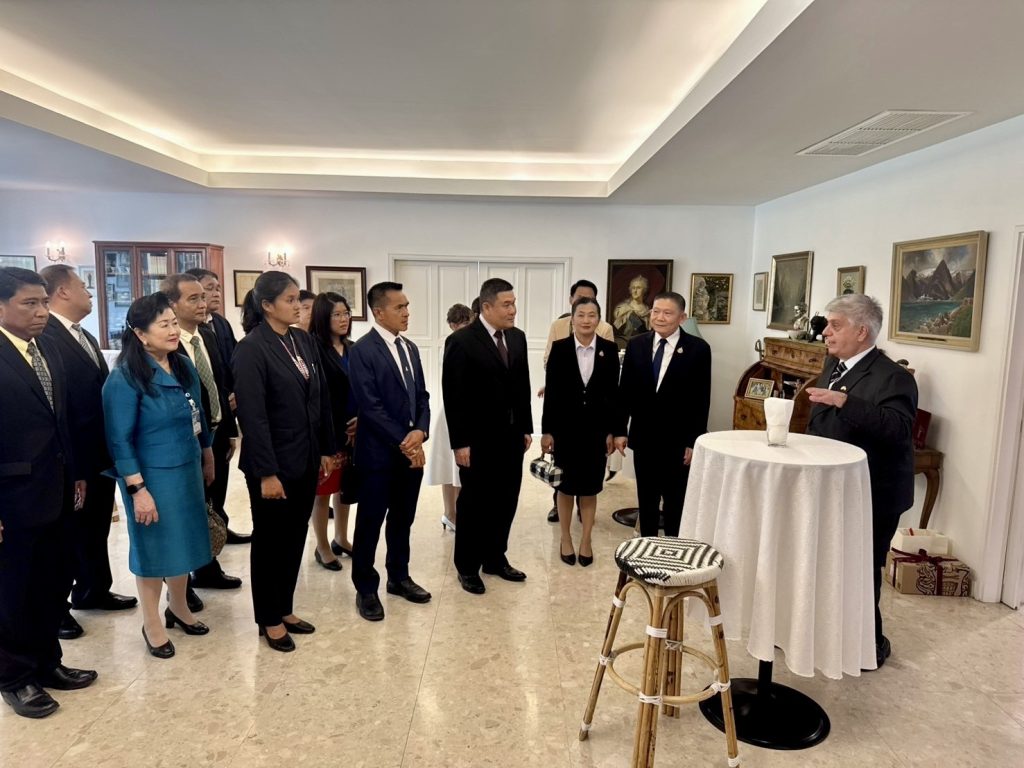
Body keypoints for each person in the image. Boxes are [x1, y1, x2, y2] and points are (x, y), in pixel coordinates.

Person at [0, 267, 96, 718]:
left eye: (43, 302)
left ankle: (46, 662)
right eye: (29, 304)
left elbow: (62, 421)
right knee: (12, 593)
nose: (41, 312)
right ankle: (15, 678)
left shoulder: (46, 349)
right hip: (12, 497)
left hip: (56, 488)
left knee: (52, 582)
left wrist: (76, 474)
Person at [806, 294, 917, 670]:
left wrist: (844, 402)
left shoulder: (894, 377)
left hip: (874, 491)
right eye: (827, 324)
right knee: (829, 563)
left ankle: (868, 646)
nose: (825, 332)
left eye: (835, 325)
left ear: (862, 331)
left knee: (861, 568)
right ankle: (825, 632)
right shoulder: (833, 363)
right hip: (833, 485)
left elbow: (898, 429)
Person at [102, 292, 214, 660]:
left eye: (173, 322)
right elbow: (119, 440)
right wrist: (137, 490)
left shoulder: (181, 365)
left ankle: (178, 607)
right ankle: (152, 624)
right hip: (150, 477)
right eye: (163, 324)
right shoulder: (125, 378)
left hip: (186, 468)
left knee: (184, 543)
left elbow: (198, 415)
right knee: (155, 549)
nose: (172, 330)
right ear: (140, 333)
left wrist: (207, 453)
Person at [233, 271, 335, 652]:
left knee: (294, 538)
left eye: (298, 300)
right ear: (266, 305)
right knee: (270, 542)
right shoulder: (251, 349)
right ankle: (269, 618)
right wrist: (266, 473)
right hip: (273, 465)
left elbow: (320, 398)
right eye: (290, 300)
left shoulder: (302, 340)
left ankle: (285, 607)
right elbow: (253, 417)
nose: (298, 306)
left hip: (306, 457)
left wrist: (326, 448)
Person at [39, 265, 137, 643]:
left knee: (95, 527)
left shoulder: (83, 334)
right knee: (68, 533)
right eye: (82, 286)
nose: (90, 292)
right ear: (63, 291)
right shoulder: (46, 334)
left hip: (97, 453)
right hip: (72, 456)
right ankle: (58, 608)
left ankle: (93, 589)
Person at [443, 278, 533, 595]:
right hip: (477, 440)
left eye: (514, 303)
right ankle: (467, 566)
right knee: (474, 504)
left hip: (511, 437)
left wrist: (526, 427)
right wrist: (460, 443)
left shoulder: (517, 338)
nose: (513, 310)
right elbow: (454, 395)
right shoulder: (462, 341)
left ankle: (495, 557)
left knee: (506, 499)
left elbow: (522, 385)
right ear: (486, 307)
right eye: (506, 305)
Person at [348, 282, 431, 621]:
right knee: (370, 521)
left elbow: (422, 396)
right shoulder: (363, 350)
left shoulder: (409, 347)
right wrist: (406, 441)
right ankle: (366, 588)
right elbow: (370, 406)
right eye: (400, 307)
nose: (407, 312)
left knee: (402, 519)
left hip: (409, 453)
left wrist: (420, 431)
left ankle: (399, 576)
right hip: (378, 455)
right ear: (379, 312)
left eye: (407, 306)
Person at [160, 275, 242, 606]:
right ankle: (179, 587)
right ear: (172, 305)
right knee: (183, 513)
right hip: (183, 442)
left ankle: (207, 567)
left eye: (202, 297)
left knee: (212, 504)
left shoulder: (206, 335)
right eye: (193, 298)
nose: (202, 303)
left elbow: (221, 386)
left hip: (216, 434)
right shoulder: (165, 344)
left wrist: (231, 430)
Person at [615, 292, 711, 538]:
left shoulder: (698, 349)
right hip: (644, 437)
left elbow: (701, 399)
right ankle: (647, 547)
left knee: (675, 503)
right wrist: (620, 430)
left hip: (678, 441)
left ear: (682, 317)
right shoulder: (637, 345)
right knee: (646, 501)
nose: (659, 317)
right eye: (656, 311)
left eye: (667, 313)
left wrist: (693, 441)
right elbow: (625, 392)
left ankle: (671, 550)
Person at [541, 297, 620, 567]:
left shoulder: (609, 350)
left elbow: (613, 394)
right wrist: (547, 431)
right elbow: (552, 394)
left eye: (592, 315)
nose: (586, 320)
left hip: (596, 432)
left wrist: (611, 431)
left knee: (589, 488)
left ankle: (586, 540)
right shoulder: (560, 349)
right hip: (565, 431)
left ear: (599, 319)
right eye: (581, 315)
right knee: (565, 487)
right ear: (572, 319)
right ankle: (565, 538)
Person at [185, 267, 249, 546]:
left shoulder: (219, 325)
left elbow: (227, 367)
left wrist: (233, 395)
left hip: (222, 416)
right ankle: (203, 550)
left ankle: (219, 528)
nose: (213, 295)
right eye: (205, 290)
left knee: (219, 482)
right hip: (194, 426)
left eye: (216, 288)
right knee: (200, 490)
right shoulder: (176, 337)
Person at [308, 292, 358, 570]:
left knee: (345, 488)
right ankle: (322, 545)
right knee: (323, 490)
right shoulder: (313, 348)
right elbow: (317, 396)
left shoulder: (352, 347)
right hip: (327, 431)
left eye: (346, 313)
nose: (343, 319)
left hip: (354, 431)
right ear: (322, 317)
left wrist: (360, 418)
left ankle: (341, 537)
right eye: (336, 314)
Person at [425, 303, 474, 532]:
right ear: (452, 325)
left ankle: (459, 512)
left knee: (459, 471)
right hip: (451, 413)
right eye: (460, 324)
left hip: (466, 412)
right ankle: (450, 513)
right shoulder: (452, 344)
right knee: (449, 467)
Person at [612, 275, 651, 347]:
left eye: (638, 288)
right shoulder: (623, 308)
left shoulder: (647, 310)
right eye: (633, 288)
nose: (635, 291)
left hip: (642, 345)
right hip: (624, 343)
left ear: (644, 290)